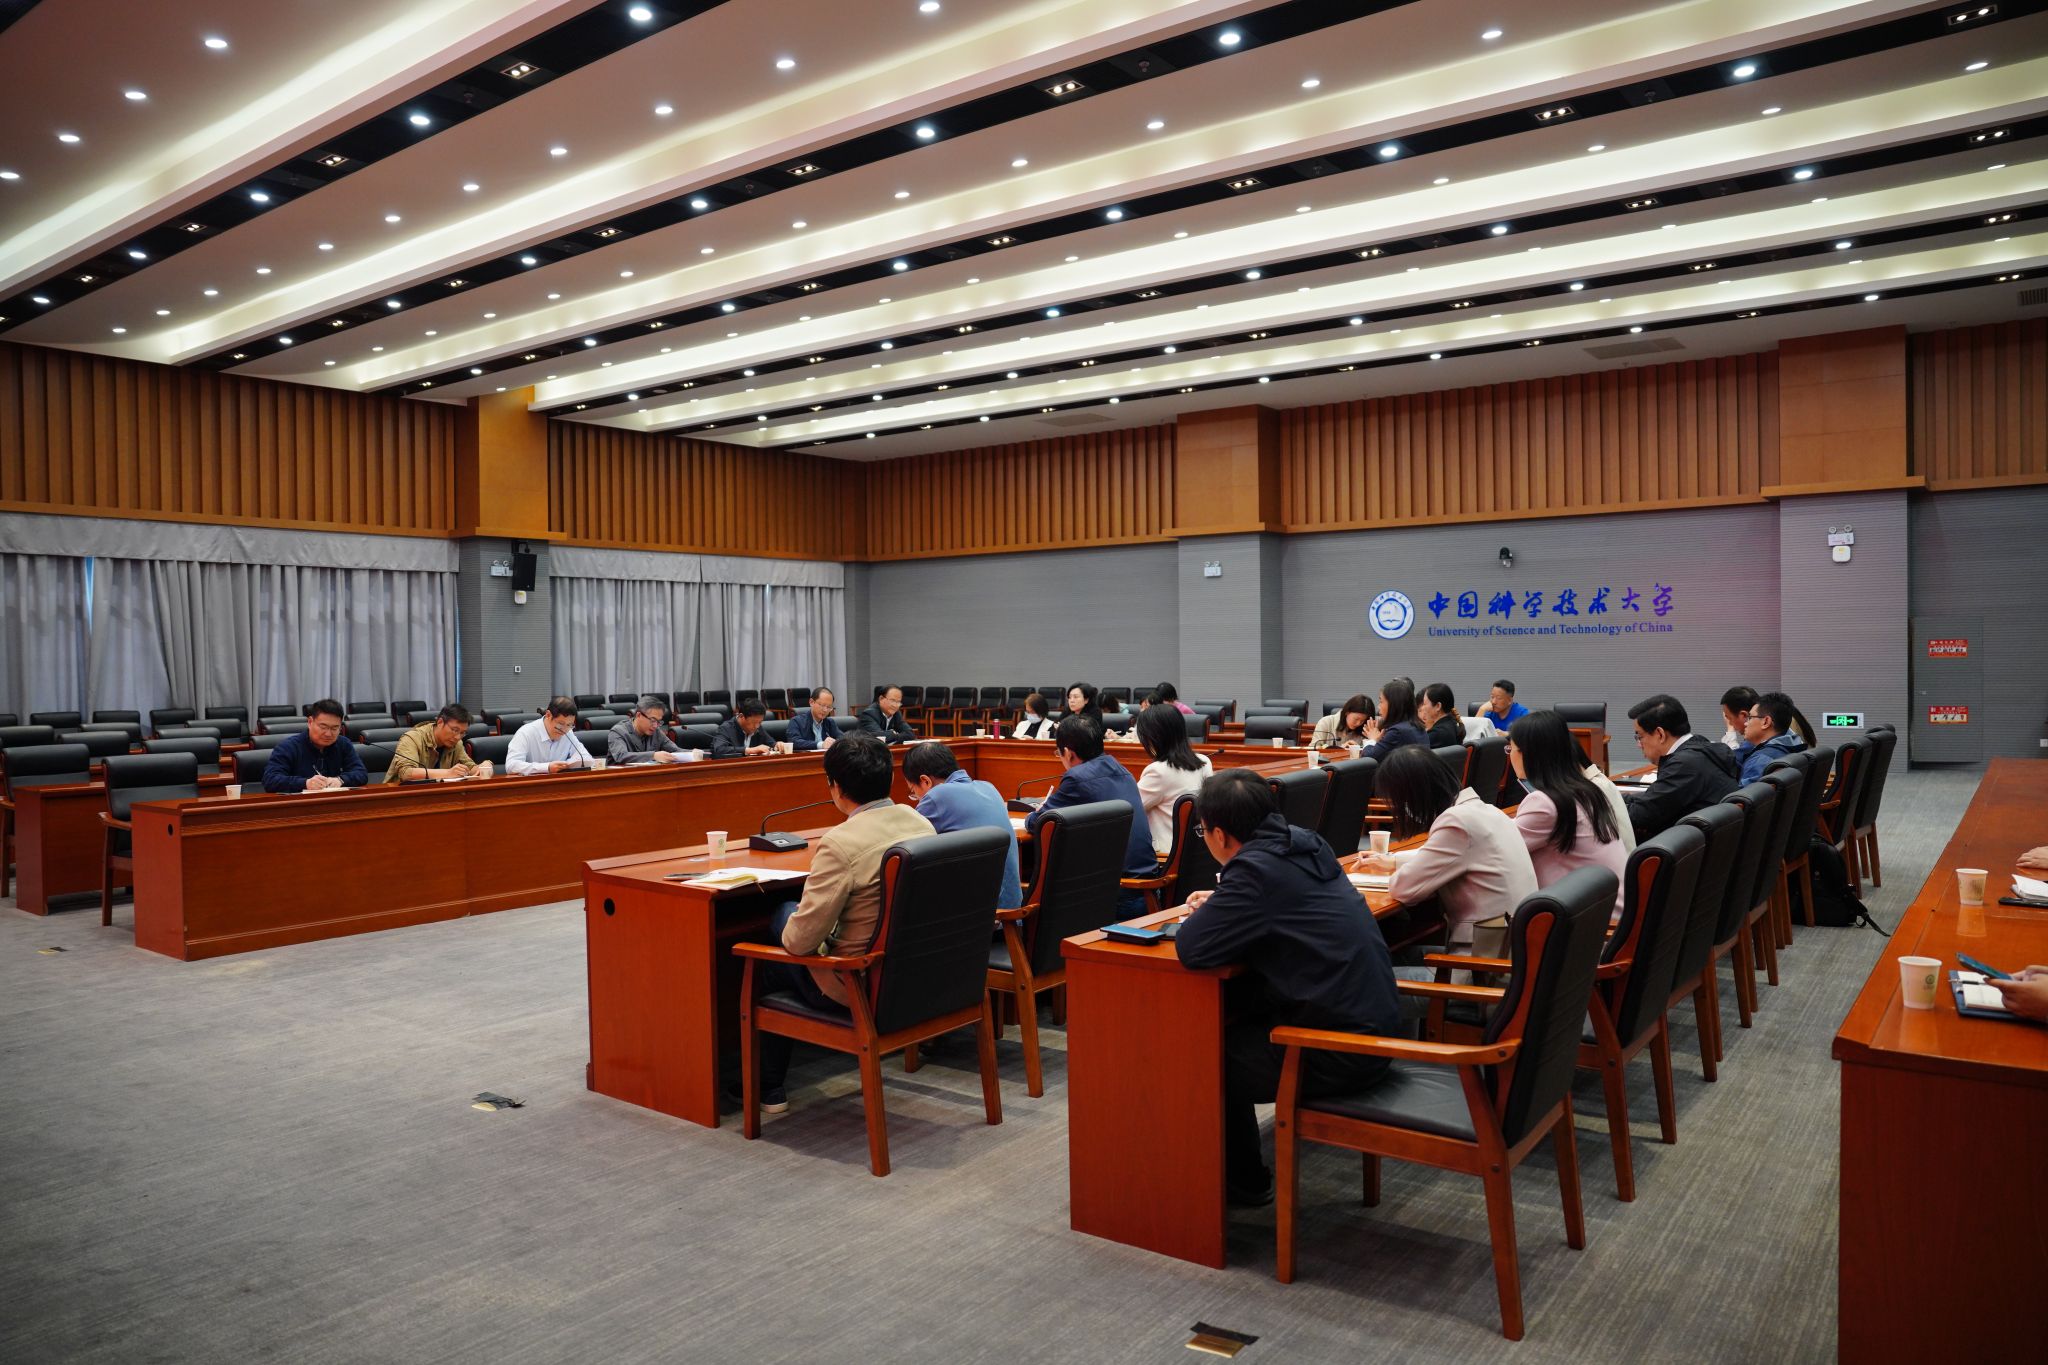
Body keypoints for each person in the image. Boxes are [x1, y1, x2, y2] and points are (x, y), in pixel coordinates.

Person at [1176, 768, 1402, 1206]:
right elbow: (1283, 903)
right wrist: (1227, 902)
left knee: (1200, 1053)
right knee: (1231, 1022)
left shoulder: (1255, 871)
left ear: (1219, 834)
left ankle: (1243, 1184)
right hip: (1374, 1028)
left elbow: (1192, 947)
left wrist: (1227, 905)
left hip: (1338, 1051)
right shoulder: (1304, 843)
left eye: (1203, 831)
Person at [750, 736, 935, 1112]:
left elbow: (799, 943)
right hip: (913, 975)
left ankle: (767, 1086)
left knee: (776, 939)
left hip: (858, 983)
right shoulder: (920, 822)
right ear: (890, 778)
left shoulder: (839, 843)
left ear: (835, 786)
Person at [1361, 744, 1537, 949]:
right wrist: (1393, 860)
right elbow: (1455, 854)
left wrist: (1398, 868)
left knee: (1381, 959)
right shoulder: (1486, 810)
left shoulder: (1456, 821)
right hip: (1512, 942)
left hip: (1484, 955)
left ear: (1414, 795)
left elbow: (1404, 889)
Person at [1025, 714, 1155, 915]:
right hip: (1148, 890)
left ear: (1068, 753)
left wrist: (1034, 814)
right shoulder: (1121, 770)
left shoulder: (1077, 778)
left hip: (1119, 893)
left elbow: (1038, 823)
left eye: (1058, 753)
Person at [1508, 712, 1627, 915]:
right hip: (1609, 911)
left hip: (1595, 923)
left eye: (1510, 748)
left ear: (1526, 753)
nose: (1509, 755)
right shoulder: (1587, 790)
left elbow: (1500, 850)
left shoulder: (1544, 803)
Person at [902, 741, 1021, 910]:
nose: (916, 798)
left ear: (925, 781)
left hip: (978, 913)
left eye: (913, 791)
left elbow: (906, 847)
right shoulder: (989, 787)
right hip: (1011, 908)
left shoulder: (936, 797)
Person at [1624, 693, 1739, 840]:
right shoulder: (1701, 746)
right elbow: (1655, 799)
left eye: (1639, 737)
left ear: (1660, 734)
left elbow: (1639, 816)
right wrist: (1614, 797)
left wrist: (1600, 804)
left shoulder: (1685, 765)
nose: (1638, 745)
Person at [1134, 703, 1211, 857]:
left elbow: (1129, 809)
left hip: (1165, 857)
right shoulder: (1204, 762)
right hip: (1198, 852)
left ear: (1154, 737)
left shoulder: (1158, 771)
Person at [263, 698, 368, 792]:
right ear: (310, 722)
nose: (328, 734)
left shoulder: (343, 744)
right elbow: (270, 780)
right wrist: (305, 783)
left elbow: (361, 773)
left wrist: (341, 780)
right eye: (323, 727)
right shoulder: (288, 747)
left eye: (334, 728)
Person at [389, 703, 486, 782]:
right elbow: (406, 773)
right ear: (440, 722)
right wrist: (448, 773)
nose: (457, 737)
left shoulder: (457, 743)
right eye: (455, 730)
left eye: (462, 733)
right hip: (400, 794)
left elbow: (469, 767)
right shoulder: (412, 738)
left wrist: (483, 767)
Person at [1735, 690, 1806, 785]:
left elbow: (1742, 795)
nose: (1745, 723)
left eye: (1750, 718)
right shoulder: (1792, 745)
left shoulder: (1761, 760)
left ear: (1766, 722)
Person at [507, 697, 588, 775]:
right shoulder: (525, 733)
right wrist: (547, 767)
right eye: (560, 724)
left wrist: (569, 764)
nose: (564, 730)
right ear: (548, 715)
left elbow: (584, 757)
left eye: (569, 725)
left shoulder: (568, 732)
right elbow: (511, 766)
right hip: (532, 782)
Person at [1360, 678, 1426, 761]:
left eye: (1381, 701)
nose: (1378, 707)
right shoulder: (1418, 727)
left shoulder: (1397, 732)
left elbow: (1369, 757)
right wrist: (1378, 741)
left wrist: (1372, 739)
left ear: (1393, 704)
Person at [609, 696, 687, 765]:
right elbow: (621, 756)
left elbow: (676, 750)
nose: (655, 725)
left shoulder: (656, 732)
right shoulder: (618, 731)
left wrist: (692, 753)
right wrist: (653, 756)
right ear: (639, 715)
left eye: (658, 721)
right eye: (653, 720)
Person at [786, 686, 842, 752]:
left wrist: (835, 742)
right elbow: (794, 742)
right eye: (822, 705)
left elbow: (843, 738)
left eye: (829, 707)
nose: (825, 710)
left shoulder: (829, 722)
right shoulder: (796, 721)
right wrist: (821, 744)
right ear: (811, 702)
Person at [854, 684, 918, 742]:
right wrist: (893, 734)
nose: (895, 705)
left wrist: (892, 735)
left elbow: (910, 734)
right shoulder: (869, 714)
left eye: (898, 702)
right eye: (892, 701)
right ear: (881, 699)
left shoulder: (896, 713)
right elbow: (879, 737)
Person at [1309, 694, 1374, 749]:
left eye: (1362, 720)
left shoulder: (1365, 729)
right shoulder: (1325, 722)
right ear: (1347, 712)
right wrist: (1340, 749)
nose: (1358, 723)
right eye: (1356, 719)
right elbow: (1312, 749)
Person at [1417, 682, 1463, 749]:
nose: (1422, 708)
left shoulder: (1437, 734)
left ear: (1438, 706)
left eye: (1424, 704)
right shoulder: (1452, 724)